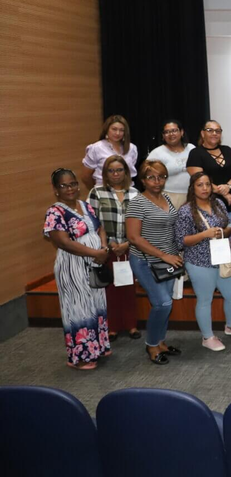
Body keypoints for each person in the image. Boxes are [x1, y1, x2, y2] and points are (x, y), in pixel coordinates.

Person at [44, 168, 111, 369]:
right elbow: (64, 243)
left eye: (73, 183)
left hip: (94, 262)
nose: (70, 188)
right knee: (79, 309)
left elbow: (100, 228)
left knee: (97, 304)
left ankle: (98, 347)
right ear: (56, 189)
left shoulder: (86, 205)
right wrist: (95, 254)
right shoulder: (54, 212)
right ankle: (81, 356)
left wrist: (104, 247)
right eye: (64, 185)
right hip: (73, 266)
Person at [175, 172, 231, 352]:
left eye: (207, 184)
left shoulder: (218, 203)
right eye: (200, 185)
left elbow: (230, 225)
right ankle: (207, 337)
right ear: (193, 187)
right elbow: (181, 241)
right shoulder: (185, 211)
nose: (205, 188)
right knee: (205, 299)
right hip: (199, 262)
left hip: (221, 258)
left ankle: (230, 326)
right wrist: (204, 235)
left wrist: (225, 231)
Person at [126, 160, 183, 366]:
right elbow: (134, 238)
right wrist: (163, 255)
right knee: (162, 303)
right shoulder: (137, 202)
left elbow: (169, 229)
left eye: (161, 176)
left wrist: (175, 253)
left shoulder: (166, 198)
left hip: (168, 261)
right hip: (145, 261)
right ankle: (151, 345)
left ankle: (161, 342)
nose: (157, 181)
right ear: (142, 180)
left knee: (165, 304)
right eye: (151, 177)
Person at [87, 155, 140, 341]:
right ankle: (113, 327)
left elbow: (140, 223)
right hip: (107, 248)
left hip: (130, 246)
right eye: (111, 170)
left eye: (119, 170)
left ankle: (131, 325)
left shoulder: (135, 193)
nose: (115, 174)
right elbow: (92, 222)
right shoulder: (97, 192)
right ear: (105, 173)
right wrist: (108, 243)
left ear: (125, 172)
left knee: (128, 287)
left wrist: (127, 243)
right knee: (110, 289)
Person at [186, 120, 231, 222]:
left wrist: (228, 186)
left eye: (218, 131)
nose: (214, 133)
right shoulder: (195, 153)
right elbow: (199, 180)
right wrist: (224, 193)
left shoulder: (227, 150)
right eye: (210, 130)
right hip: (208, 206)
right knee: (215, 235)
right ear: (203, 133)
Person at [81, 115, 138, 189]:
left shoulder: (132, 148)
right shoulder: (96, 148)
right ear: (107, 129)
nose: (117, 133)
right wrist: (96, 192)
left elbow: (130, 171)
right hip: (103, 190)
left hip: (127, 190)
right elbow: (86, 177)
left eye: (121, 130)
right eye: (114, 129)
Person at [147, 119, 194, 207]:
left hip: (193, 196)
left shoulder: (191, 148)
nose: (171, 134)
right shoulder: (157, 153)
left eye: (174, 130)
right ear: (163, 136)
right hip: (167, 197)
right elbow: (147, 177)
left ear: (182, 132)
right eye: (167, 132)